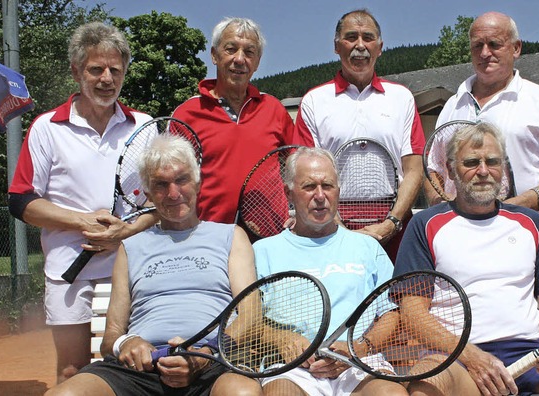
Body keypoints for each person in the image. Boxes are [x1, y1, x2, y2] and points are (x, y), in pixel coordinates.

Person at [394, 122, 539, 396]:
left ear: (502, 167)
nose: (483, 171)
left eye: (492, 161)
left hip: (533, 358)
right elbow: (412, 313)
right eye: (471, 162)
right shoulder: (425, 225)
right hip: (459, 361)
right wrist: (474, 358)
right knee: (426, 389)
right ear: (450, 169)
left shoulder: (530, 222)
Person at [45, 134, 262, 396]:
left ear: (197, 183)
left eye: (181, 180)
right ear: (148, 193)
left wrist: (206, 353)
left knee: (243, 393)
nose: (173, 193)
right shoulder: (131, 246)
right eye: (161, 184)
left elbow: (250, 314)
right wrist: (128, 342)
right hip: (140, 373)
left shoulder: (231, 236)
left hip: (214, 361)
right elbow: (111, 335)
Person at [7, 22, 154, 383]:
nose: (106, 78)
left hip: (131, 269)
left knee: (132, 367)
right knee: (73, 370)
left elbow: (160, 204)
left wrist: (125, 231)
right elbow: (22, 200)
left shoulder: (145, 126)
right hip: (67, 271)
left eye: (115, 70)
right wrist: (84, 222)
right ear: (76, 71)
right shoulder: (46, 127)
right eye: (96, 69)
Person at [254, 147, 408, 396]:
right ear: (288, 193)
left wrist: (358, 348)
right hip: (291, 369)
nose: (319, 196)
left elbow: (391, 313)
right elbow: (248, 321)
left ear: (338, 190)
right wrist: (281, 340)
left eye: (327, 185)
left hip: (358, 363)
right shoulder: (262, 251)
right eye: (308, 187)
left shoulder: (368, 247)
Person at [430, 11, 539, 245]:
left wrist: (522, 204)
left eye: (494, 44)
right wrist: (440, 202)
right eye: (477, 46)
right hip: (459, 240)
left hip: (527, 239)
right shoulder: (452, 105)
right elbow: (433, 168)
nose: (485, 53)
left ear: (516, 48)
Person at [293, 8, 426, 262]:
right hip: (330, 223)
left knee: (396, 298)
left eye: (368, 37)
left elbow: (414, 169)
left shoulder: (402, 98)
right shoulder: (314, 100)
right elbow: (304, 172)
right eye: (351, 37)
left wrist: (391, 223)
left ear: (380, 47)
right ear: (336, 46)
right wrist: (338, 227)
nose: (360, 46)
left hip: (394, 221)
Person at [172, 17, 294, 226]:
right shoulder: (186, 114)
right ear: (214, 55)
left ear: (257, 61)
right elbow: (172, 180)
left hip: (270, 237)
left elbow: (298, 163)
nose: (239, 59)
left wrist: (298, 213)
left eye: (249, 52)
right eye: (231, 49)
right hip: (208, 238)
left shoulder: (274, 108)